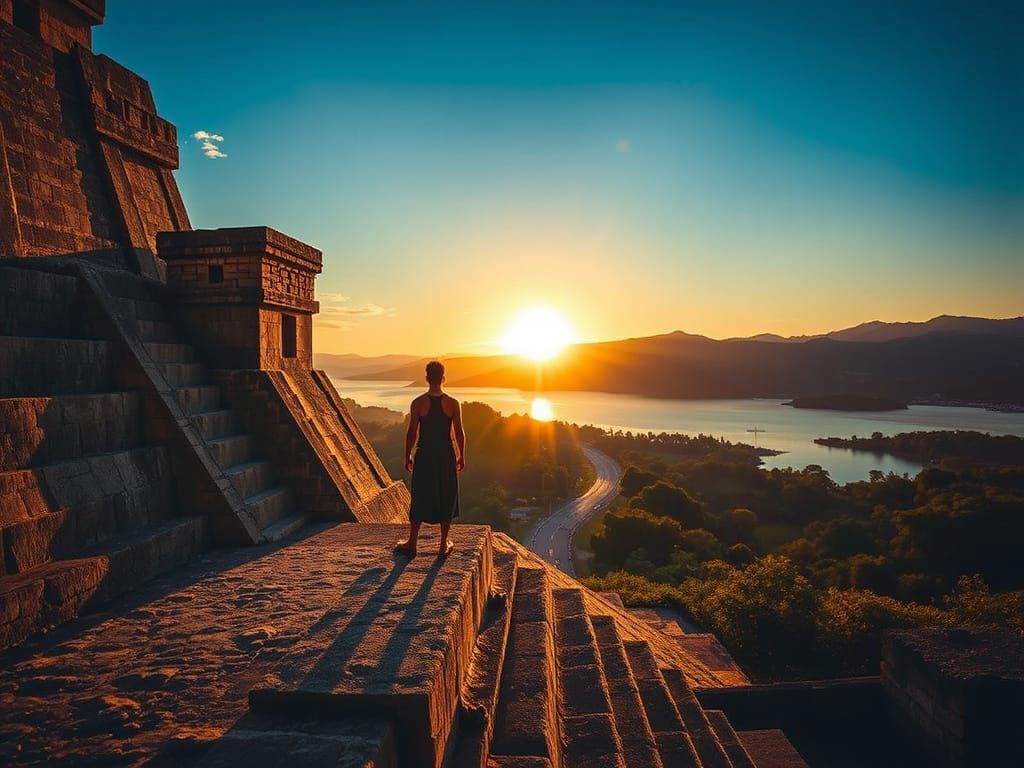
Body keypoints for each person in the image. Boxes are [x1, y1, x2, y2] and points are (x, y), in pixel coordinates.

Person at [395, 360, 465, 557]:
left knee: (420, 493)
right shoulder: (452, 403)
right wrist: (461, 455)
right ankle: (443, 544)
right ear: (443, 378)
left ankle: (413, 543)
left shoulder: (418, 403)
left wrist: (407, 455)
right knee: (447, 493)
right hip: (446, 454)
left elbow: (411, 432)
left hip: (424, 454)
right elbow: (459, 433)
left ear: (427, 378)